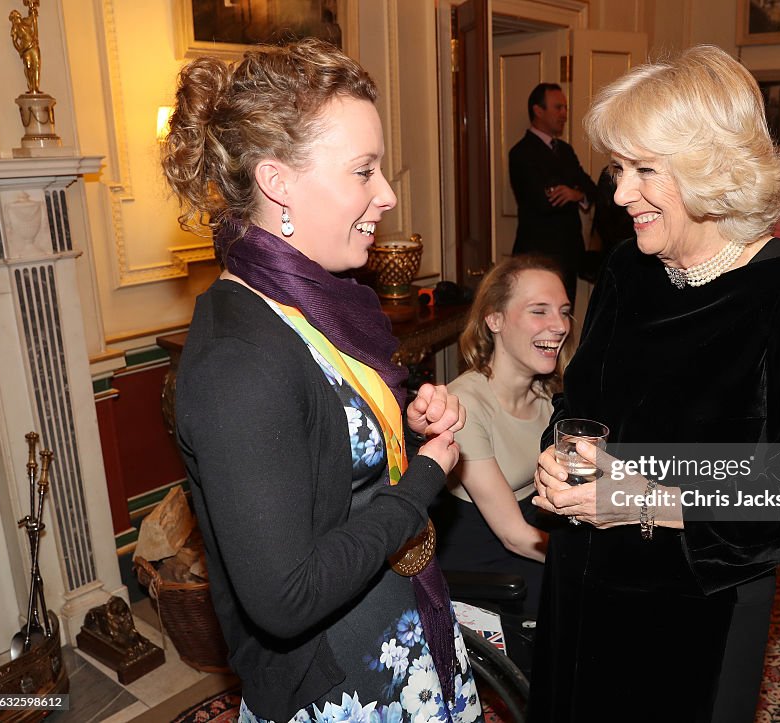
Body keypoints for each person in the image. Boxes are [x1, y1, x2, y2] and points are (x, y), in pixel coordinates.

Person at [529, 45, 780, 722]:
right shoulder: (627, 266)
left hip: (695, 602)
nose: (618, 194)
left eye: (644, 170)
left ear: (710, 166)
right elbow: (581, 401)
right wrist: (559, 453)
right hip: (582, 572)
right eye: (618, 169)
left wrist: (647, 500)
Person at [161, 39, 481, 723]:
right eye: (363, 170)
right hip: (341, 689)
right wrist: (425, 478)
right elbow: (286, 598)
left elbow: (330, 438)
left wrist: (403, 422)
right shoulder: (236, 360)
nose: (388, 193)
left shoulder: (311, 301)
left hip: (394, 637)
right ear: (277, 181)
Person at [433, 256, 573, 618]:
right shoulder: (465, 404)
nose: (559, 325)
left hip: (531, 544)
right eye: (539, 311)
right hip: (489, 574)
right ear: (494, 319)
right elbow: (514, 535)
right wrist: (590, 561)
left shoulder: (547, 394)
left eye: (564, 311)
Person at [509, 82, 598, 303]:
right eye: (558, 108)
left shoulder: (565, 150)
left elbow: (591, 188)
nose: (564, 114)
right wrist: (570, 189)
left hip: (569, 254)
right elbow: (543, 201)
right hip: (537, 256)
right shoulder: (521, 153)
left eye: (565, 108)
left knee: (565, 319)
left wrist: (575, 194)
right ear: (538, 110)